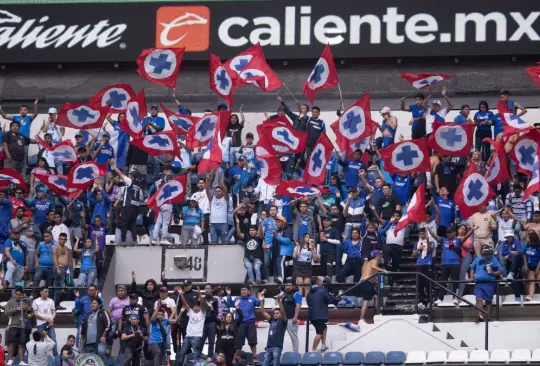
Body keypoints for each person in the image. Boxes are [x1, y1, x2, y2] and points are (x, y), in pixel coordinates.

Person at [470, 246, 503, 322]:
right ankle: (480, 316)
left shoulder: (494, 259)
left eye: (489, 254)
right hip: (479, 282)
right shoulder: (478, 258)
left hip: (489, 282)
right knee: (479, 299)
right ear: (483, 253)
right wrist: (471, 277)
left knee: (488, 300)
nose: (488, 255)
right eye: (487, 254)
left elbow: (501, 270)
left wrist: (493, 273)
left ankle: (488, 316)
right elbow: (472, 267)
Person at [225, 287, 261, 359]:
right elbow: (229, 305)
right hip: (240, 323)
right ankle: (236, 358)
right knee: (239, 343)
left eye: (245, 290)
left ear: (248, 291)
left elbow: (259, 303)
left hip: (250, 322)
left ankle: (254, 357)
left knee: (253, 342)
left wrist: (261, 299)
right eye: (242, 290)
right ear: (240, 291)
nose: (243, 291)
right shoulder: (237, 299)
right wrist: (228, 295)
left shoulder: (253, 298)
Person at [175, 286, 206, 366]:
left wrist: (199, 294)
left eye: (197, 306)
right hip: (187, 336)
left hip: (197, 336)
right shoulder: (191, 312)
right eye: (194, 306)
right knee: (181, 354)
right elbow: (185, 303)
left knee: (196, 356)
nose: (195, 308)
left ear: (199, 307)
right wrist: (181, 294)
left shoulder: (202, 313)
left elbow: (202, 303)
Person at [306, 277, 338, 352]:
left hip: (312, 315)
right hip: (320, 314)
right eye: (320, 281)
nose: (321, 282)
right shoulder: (323, 290)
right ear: (317, 282)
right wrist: (336, 299)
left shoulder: (309, 292)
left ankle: (323, 345)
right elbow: (329, 300)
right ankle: (312, 350)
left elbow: (308, 302)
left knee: (324, 327)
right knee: (319, 332)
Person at [358, 250, 387, 324]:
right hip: (367, 283)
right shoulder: (374, 261)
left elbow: (365, 272)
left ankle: (378, 314)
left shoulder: (367, 262)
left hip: (364, 282)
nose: (380, 256)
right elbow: (374, 267)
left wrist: (375, 282)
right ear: (376, 255)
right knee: (366, 301)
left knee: (376, 297)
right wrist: (384, 271)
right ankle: (361, 318)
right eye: (380, 255)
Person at [259, 290, 287, 366]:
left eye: (277, 313)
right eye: (274, 313)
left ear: (280, 314)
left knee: (276, 364)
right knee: (264, 364)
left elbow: (283, 312)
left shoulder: (283, 321)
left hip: (277, 347)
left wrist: (279, 301)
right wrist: (261, 301)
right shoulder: (272, 320)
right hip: (269, 347)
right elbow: (263, 313)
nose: (275, 315)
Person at [5, 286, 29, 366]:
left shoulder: (24, 302)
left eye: (20, 294)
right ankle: (10, 359)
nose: (18, 296)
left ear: (22, 295)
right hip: (13, 325)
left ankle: (21, 361)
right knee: (11, 343)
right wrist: (16, 309)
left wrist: (26, 309)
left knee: (21, 344)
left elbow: (29, 314)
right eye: (17, 294)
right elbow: (6, 312)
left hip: (22, 326)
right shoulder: (10, 302)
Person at [32, 286, 58, 357]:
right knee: (41, 341)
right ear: (41, 292)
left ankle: (56, 357)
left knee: (53, 339)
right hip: (40, 324)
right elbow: (35, 314)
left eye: (48, 292)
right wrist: (46, 319)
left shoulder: (51, 301)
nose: (47, 293)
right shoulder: (36, 301)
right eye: (45, 292)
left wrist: (51, 319)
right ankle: (42, 357)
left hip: (50, 323)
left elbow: (54, 312)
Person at [217, 300, 242, 366]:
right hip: (222, 345)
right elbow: (214, 318)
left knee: (229, 361)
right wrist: (211, 309)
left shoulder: (235, 324)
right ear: (225, 318)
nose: (228, 318)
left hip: (231, 345)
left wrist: (237, 307)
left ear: (232, 318)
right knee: (220, 361)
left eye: (230, 317)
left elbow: (241, 317)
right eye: (227, 317)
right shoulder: (221, 324)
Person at [280, 280, 302, 352]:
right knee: (279, 337)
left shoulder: (297, 294)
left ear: (293, 286)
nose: (288, 287)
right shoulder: (283, 294)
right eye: (287, 285)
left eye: (290, 285)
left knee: (294, 337)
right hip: (283, 319)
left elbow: (298, 305)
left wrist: (295, 316)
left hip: (291, 319)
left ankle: (296, 353)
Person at [108, 285, 130, 352]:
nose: (120, 292)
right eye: (118, 291)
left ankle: (121, 356)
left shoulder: (129, 300)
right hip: (114, 320)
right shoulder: (113, 300)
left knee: (122, 340)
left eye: (121, 291)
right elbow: (109, 311)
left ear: (125, 291)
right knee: (110, 334)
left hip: (125, 322)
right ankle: (109, 348)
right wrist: (109, 320)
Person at [201, 284, 219, 360]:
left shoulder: (215, 300)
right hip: (202, 323)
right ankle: (198, 355)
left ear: (211, 290)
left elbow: (217, 312)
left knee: (211, 341)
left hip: (212, 322)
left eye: (208, 288)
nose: (207, 290)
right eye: (205, 288)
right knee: (201, 340)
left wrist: (212, 309)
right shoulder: (201, 299)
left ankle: (209, 356)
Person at [523, 231, 540, 302]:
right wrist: (526, 265)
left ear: (532, 239)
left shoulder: (539, 247)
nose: (527, 239)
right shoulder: (527, 245)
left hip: (538, 267)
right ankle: (530, 296)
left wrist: (538, 268)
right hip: (530, 267)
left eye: (528, 238)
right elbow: (524, 255)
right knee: (531, 282)